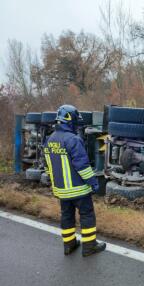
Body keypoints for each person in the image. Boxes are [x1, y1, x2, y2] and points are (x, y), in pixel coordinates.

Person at [44, 105, 106, 257]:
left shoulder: (49, 139)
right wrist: (93, 182)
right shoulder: (73, 139)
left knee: (67, 216)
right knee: (87, 215)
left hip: (61, 191)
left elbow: (47, 166)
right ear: (69, 121)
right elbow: (82, 166)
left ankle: (69, 245)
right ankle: (89, 246)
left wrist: (55, 183)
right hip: (79, 189)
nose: (77, 125)